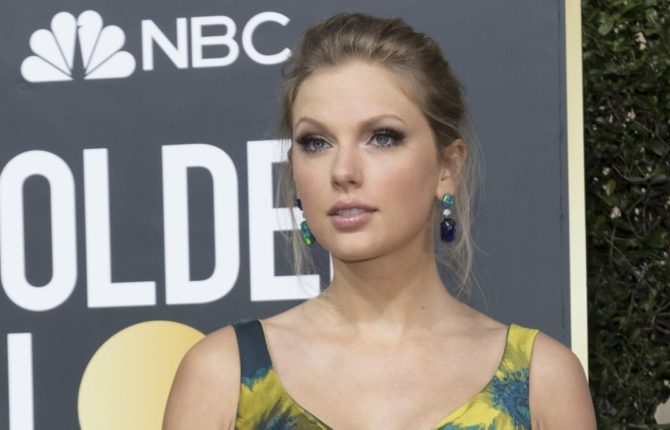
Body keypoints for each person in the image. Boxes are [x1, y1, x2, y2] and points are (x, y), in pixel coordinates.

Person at [163, 13, 596, 430]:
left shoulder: (542, 380)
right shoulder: (222, 376)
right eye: (316, 142)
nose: (343, 171)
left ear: (447, 167)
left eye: (382, 137)